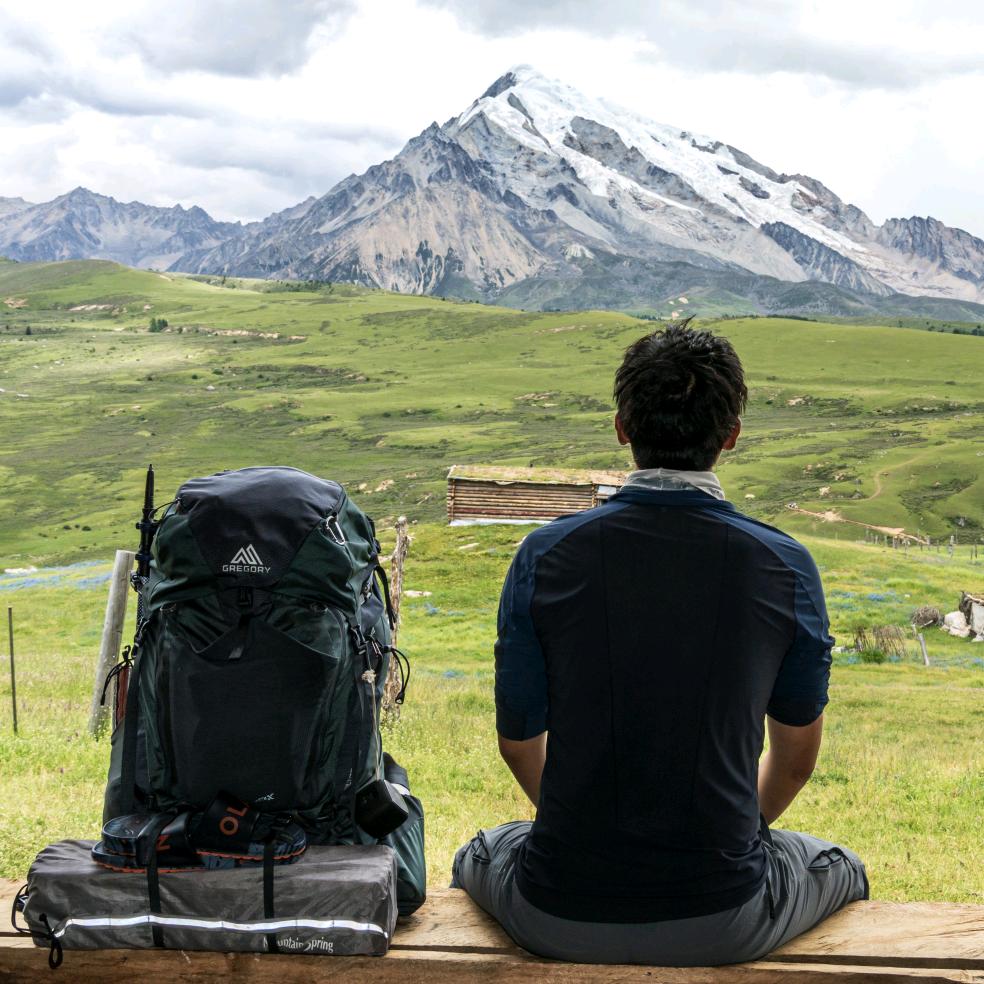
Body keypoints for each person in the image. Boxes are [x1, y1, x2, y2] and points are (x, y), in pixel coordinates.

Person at [451, 321, 868, 966]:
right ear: (730, 437)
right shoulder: (784, 567)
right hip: (724, 915)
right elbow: (794, 762)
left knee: (480, 849)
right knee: (841, 865)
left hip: (555, 908)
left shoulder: (545, 555)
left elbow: (517, 743)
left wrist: (592, 833)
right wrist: (737, 840)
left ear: (622, 427)